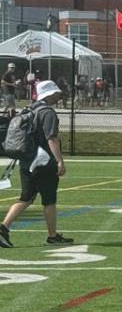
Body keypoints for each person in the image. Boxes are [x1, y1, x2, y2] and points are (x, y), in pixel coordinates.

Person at [0, 80, 72, 248]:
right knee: (49, 199)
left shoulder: (29, 109)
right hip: (43, 161)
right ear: (50, 94)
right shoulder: (47, 112)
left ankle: (4, 228)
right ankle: (51, 236)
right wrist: (60, 161)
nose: (58, 96)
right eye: (56, 94)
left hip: (27, 159)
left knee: (26, 197)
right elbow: (51, 138)